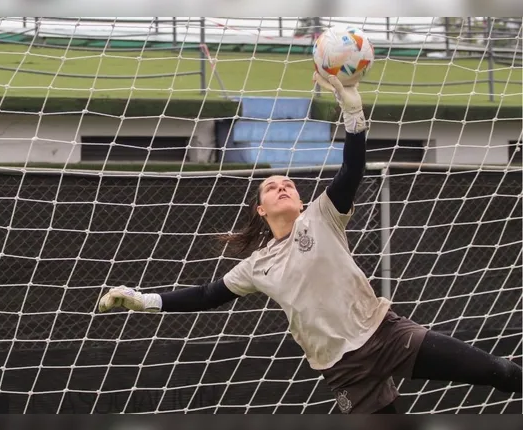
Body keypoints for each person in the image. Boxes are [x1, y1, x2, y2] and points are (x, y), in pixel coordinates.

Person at [96, 73, 523, 414]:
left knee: (495, 370)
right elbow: (207, 295)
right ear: (261, 210)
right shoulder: (256, 265)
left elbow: (351, 172)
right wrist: (142, 299)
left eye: (288, 183)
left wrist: (352, 114)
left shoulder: (322, 215)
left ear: (300, 200)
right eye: (270, 186)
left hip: (387, 335)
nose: (281, 186)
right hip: (343, 367)